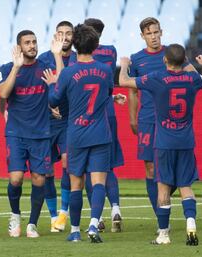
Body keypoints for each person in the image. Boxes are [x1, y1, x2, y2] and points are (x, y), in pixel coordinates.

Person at [119, 44, 202, 245]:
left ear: (165, 60)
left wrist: (124, 65)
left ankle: (163, 234)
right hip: (186, 141)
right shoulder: (193, 79)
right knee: (185, 186)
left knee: (163, 188)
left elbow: (124, 81)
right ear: (184, 62)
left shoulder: (157, 79)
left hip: (164, 142)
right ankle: (191, 225)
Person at [43, 24, 113, 243]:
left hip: (76, 134)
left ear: (74, 44)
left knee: (76, 185)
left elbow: (54, 101)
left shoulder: (69, 72)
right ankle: (94, 225)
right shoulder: (106, 70)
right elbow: (109, 92)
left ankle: (74, 230)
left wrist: (54, 84)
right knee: (99, 183)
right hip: (101, 133)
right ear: (96, 45)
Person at [128, 17, 195, 229]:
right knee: (149, 167)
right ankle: (161, 219)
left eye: (156, 32)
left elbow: (193, 75)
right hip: (148, 118)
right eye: (149, 33)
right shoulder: (137, 59)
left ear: (161, 32)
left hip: (171, 121)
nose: (153, 37)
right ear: (142, 36)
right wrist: (132, 117)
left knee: (171, 173)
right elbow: (133, 91)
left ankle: (164, 207)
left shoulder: (174, 55)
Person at [0, 30, 63, 238]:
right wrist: (16, 67)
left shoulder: (44, 67)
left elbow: (61, 82)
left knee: (39, 179)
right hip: (16, 133)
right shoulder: (9, 68)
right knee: (16, 178)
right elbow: (2, 93)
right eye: (27, 42)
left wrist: (58, 55)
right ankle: (15, 215)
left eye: (34, 42)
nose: (32, 45)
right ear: (19, 47)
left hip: (41, 133)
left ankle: (32, 224)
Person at [83, 18, 126, 233]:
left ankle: (96, 216)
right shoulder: (111, 52)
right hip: (108, 114)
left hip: (86, 119)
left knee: (91, 169)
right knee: (107, 167)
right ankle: (116, 208)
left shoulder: (80, 57)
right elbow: (107, 87)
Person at [38, 21, 76, 232]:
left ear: (73, 36)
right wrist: (48, 104)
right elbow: (36, 87)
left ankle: (63, 213)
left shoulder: (80, 59)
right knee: (47, 173)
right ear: (55, 35)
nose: (64, 37)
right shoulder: (43, 58)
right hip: (45, 122)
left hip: (68, 120)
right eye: (60, 33)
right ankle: (53, 217)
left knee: (67, 165)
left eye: (68, 33)